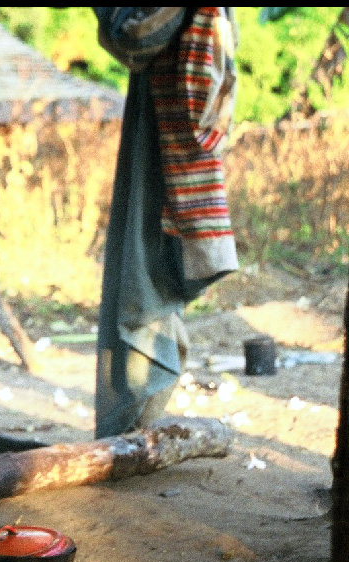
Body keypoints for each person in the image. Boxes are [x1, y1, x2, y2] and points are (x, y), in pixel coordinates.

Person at [92, 8, 240, 438]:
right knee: (144, 286)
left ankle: (131, 428)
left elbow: (135, 36)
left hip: (162, 151)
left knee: (141, 290)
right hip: (164, 141)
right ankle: (132, 426)